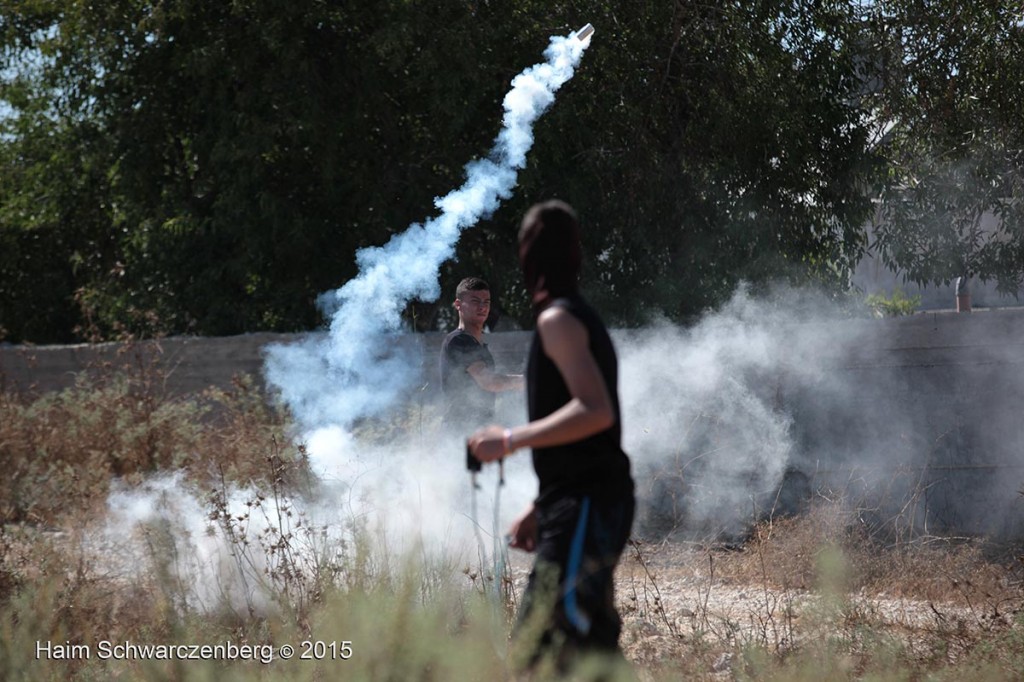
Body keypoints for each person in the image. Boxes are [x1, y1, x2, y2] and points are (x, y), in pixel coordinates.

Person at [468, 200, 635, 672]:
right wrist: (543, 506)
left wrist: (509, 439)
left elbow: (595, 411)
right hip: (577, 500)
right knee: (574, 640)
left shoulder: (558, 320)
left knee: (556, 636)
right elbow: (585, 438)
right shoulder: (570, 316)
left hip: (588, 500)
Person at [439, 277, 524, 433]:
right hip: (460, 432)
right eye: (475, 301)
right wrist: (525, 381)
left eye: (486, 302)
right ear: (458, 305)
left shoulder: (478, 345)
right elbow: (490, 382)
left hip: (479, 430)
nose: (482, 307)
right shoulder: (459, 340)